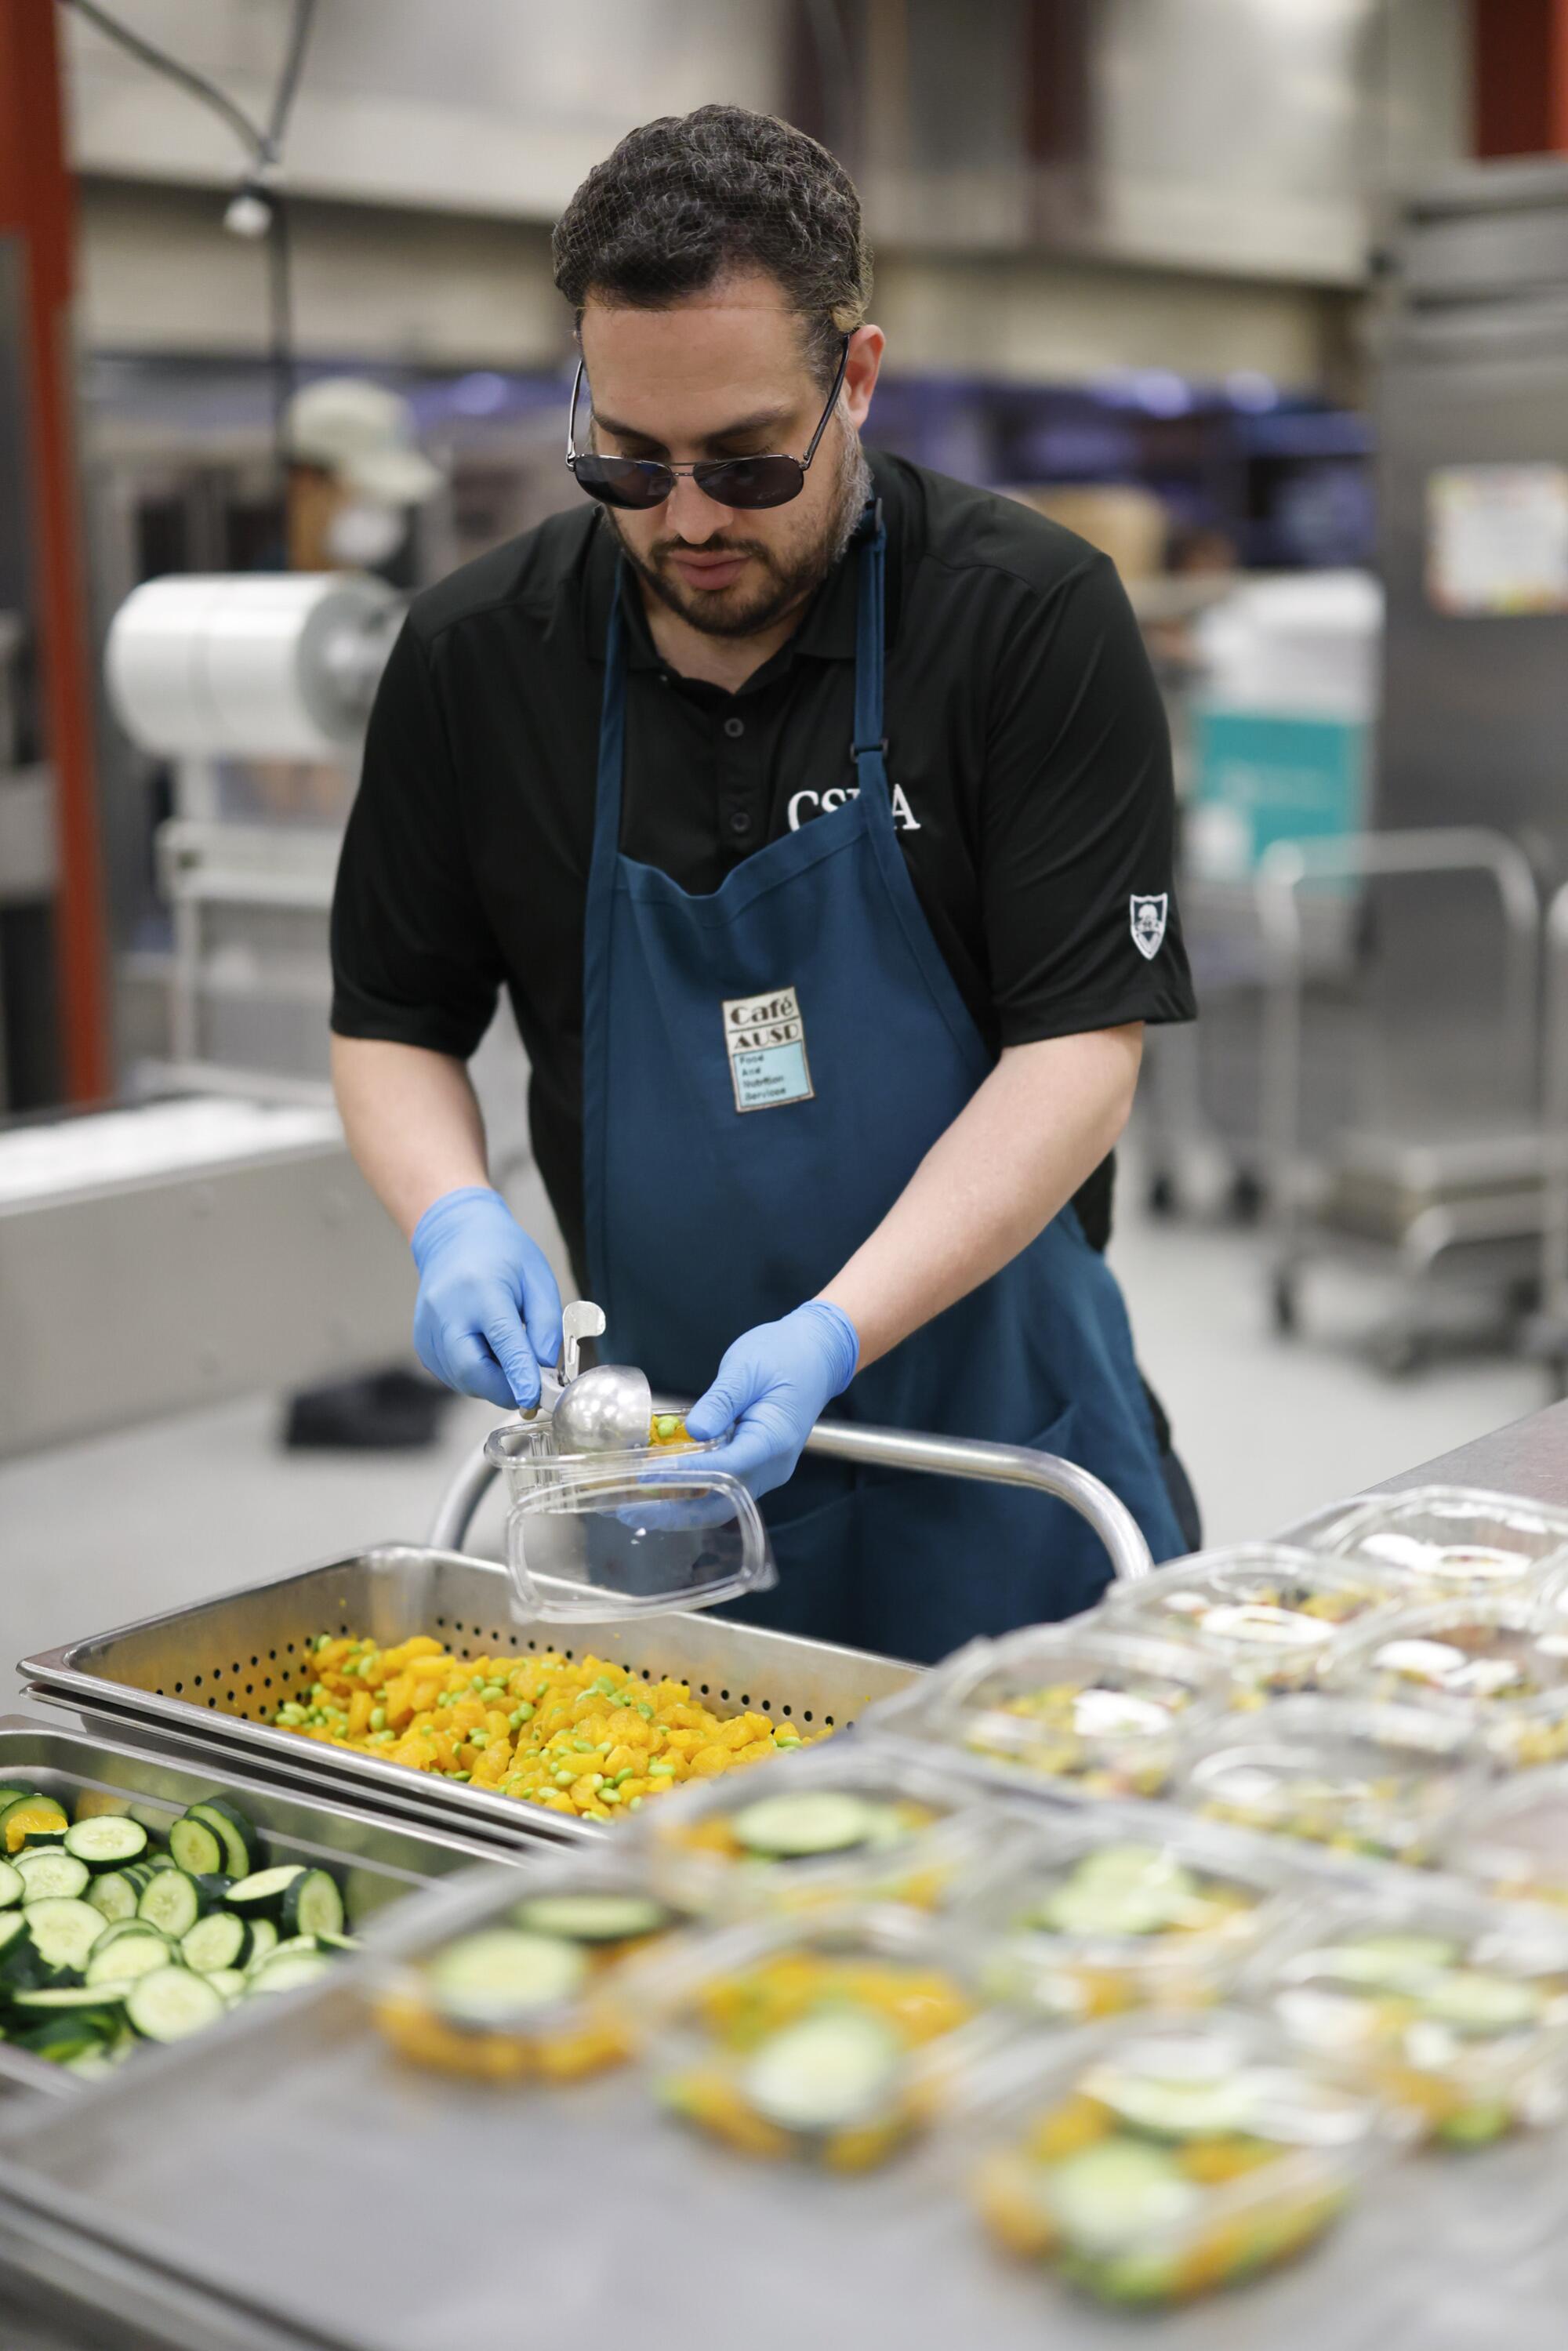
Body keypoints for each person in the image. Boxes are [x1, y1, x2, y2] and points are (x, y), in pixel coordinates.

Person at [329, 106, 1199, 1664]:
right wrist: (451, 1215)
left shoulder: (1023, 618)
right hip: (665, 1454)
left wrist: (833, 1334)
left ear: (855, 379)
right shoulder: (479, 660)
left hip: (999, 1441)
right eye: (625, 460)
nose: (683, 519)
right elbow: (395, 1014)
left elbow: (1080, 1050)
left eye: (743, 463)